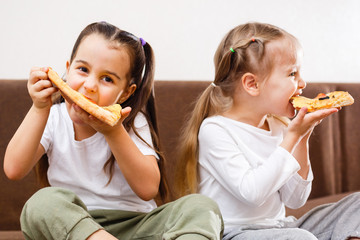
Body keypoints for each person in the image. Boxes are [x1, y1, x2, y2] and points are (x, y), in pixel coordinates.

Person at [4, 21, 223, 240]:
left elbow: (148, 189)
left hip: (136, 226)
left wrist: (113, 132)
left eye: (107, 79)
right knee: (40, 204)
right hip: (72, 228)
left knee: (201, 206)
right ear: (68, 69)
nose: (90, 85)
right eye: (83, 69)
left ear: (126, 93)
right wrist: (39, 108)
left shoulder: (131, 122)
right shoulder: (53, 117)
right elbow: (14, 169)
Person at [174, 22, 360, 240]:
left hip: (282, 227)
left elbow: (295, 200)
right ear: (252, 84)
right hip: (235, 233)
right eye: (292, 73)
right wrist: (293, 136)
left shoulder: (279, 126)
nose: (302, 82)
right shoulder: (215, 130)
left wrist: (302, 137)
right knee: (301, 238)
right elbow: (252, 193)